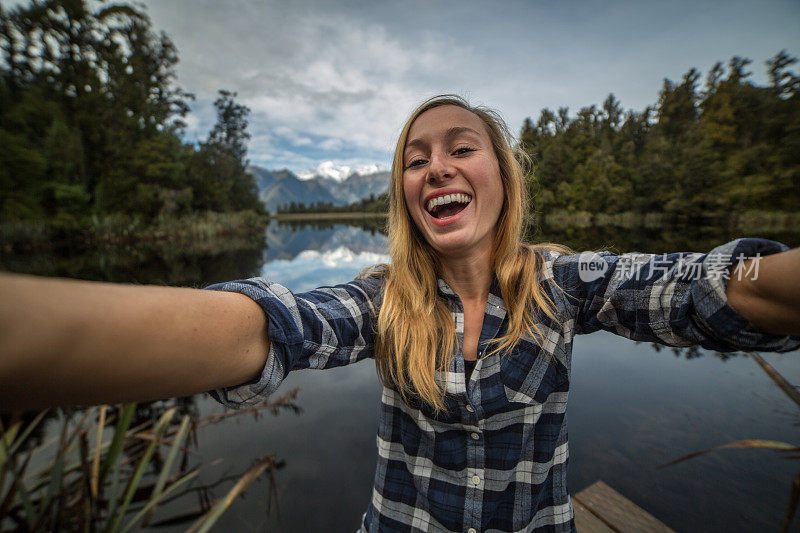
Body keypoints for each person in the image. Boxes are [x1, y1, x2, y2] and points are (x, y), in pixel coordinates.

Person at [1, 94, 799, 532]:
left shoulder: (563, 281)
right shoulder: (383, 299)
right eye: (416, 159)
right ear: (406, 197)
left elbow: (710, 286)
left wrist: (760, 278)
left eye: (460, 147)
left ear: (502, 177)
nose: (436, 166)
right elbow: (268, 326)